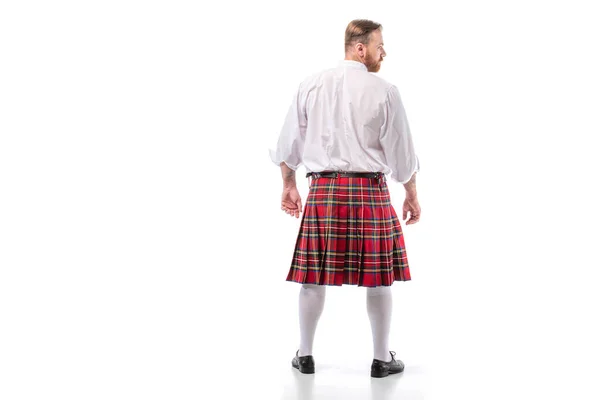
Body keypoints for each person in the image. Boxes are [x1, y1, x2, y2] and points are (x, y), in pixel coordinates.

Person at [269, 19, 421, 378]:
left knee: (313, 277)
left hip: (323, 190)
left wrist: (288, 185)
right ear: (360, 48)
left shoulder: (311, 84)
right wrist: (412, 193)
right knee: (380, 279)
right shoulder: (385, 91)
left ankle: (305, 356)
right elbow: (403, 154)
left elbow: (287, 147)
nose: (384, 52)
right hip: (369, 191)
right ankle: (382, 360)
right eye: (380, 45)